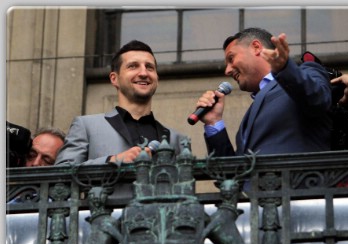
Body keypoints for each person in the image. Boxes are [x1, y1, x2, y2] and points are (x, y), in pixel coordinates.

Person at [194, 28, 333, 157]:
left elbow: (318, 99)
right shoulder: (250, 117)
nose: (227, 70)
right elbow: (233, 176)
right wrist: (214, 123)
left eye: (231, 59)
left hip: (298, 182)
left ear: (256, 47)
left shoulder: (307, 72)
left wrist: (284, 68)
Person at [55, 40, 186, 166]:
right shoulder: (85, 126)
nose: (143, 73)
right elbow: (60, 176)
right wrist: (113, 160)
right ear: (114, 79)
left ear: (157, 78)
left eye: (149, 67)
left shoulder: (177, 139)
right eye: (133, 66)